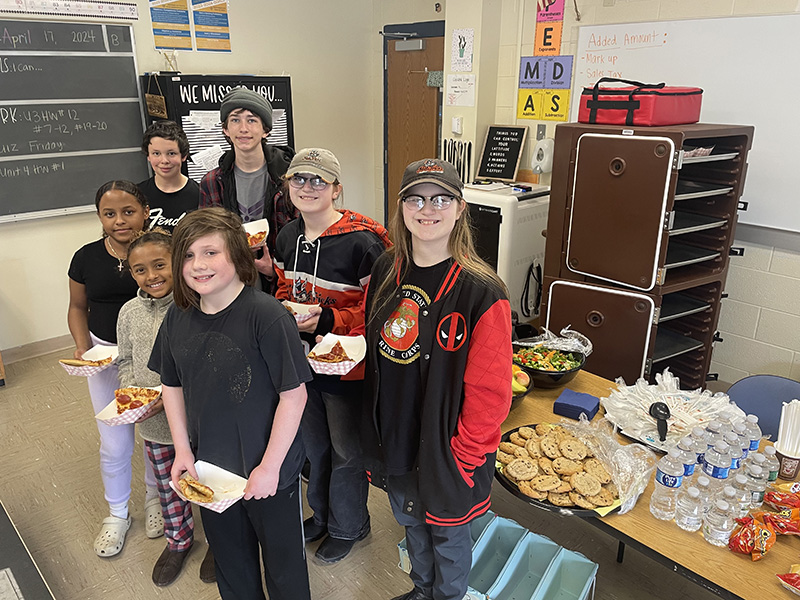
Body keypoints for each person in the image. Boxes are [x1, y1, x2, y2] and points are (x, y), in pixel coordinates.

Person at [358, 159, 513, 600]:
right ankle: (422, 590)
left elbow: (490, 393)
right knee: (410, 523)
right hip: (395, 436)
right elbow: (375, 347)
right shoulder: (387, 269)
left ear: (460, 208)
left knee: (447, 538)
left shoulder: (482, 292)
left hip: (448, 449)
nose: (428, 208)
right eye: (416, 198)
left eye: (441, 198)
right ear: (402, 207)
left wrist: (463, 457)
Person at [148, 207, 313, 600]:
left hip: (270, 471)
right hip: (212, 471)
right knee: (231, 562)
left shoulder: (267, 316)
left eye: (210, 253)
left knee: (284, 566)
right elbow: (171, 385)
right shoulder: (177, 316)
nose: (197, 264)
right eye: (187, 255)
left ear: (237, 257)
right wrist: (183, 452)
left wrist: (269, 468)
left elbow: (295, 394)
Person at [273, 148, 391, 563]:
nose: (307, 187)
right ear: (287, 186)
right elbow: (286, 289)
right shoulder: (286, 236)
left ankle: (349, 525)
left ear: (336, 189)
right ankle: (322, 515)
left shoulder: (363, 242)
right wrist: (286, 308)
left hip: (345, 368)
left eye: (318, 180)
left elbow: (379, 309)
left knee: (346, 451)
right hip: (302, 364)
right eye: (299, 179)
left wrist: (325, 318)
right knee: (314, 446)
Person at [67, 180, 161, 557]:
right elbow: (77, 307)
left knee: (156, 434)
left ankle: (156, 497)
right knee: (114, 439)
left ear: (145, 212)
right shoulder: (86, 257)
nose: (120, 220)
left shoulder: (161, 249)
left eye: (128, 211)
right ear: (100, 218)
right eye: (109, 214)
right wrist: (82, 348)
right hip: (106, 359)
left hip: (154, 357)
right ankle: (117, 513)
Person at [115, 228, 214, 586]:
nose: (151, 275)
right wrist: (132, 393)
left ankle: (219, 541)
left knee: (208, 478)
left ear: (177, 262)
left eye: (160, 265)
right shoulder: (128, 313)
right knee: (168, 484)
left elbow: (206, 365)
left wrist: (167, 395)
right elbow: (125, 359)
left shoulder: (197, 306)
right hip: (153, 423)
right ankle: (179, 540)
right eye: (140, 270)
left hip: (197, 420)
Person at [199, 87, 296, 292]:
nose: (243, 128)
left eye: (252, 120)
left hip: (283, 283)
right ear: (225, 129)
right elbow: (206, 237)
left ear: (265, 130)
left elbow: (305, 236)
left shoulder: (290, 179)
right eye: (235, 120)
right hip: (230, 282)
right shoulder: (211, 182)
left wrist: (276, 271)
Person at [138, 120, 199, 232]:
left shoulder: (200, 194)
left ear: (183, 156)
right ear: (148, 156)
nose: (164, 161)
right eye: (156, 153)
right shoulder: (137, 195)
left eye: (171, 153)